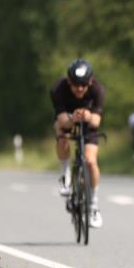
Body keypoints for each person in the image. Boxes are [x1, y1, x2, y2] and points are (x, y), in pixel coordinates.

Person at [50, 59, 104, 228]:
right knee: (61, 133)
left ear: (90, 82)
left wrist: (87, 116)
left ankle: (93, 205)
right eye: (75, 85)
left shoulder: (97, 90)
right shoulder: (58, 89)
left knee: (90, 161)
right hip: (67, 121)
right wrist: (73, 118)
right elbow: (61, 120)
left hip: (88, 125)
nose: (79, 89)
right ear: (68, 82)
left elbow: (96, 121)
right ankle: (65, 175)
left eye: (83, 85)